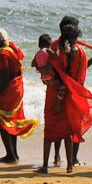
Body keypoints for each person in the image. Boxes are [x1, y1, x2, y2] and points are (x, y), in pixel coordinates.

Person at [39, 23, 92, 173]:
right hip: (71, 95)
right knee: (68, 131)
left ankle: (46, 166)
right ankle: (69, 166)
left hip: (54, 93)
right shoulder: (81, 53)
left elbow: (47, 70)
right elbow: (81, 75)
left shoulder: (54, 50)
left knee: (50, 129)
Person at [0, 29, 38, 164]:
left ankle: (11, 155)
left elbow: (4, 78)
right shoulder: (10, 49)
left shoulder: (2, 54)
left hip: (9, 90)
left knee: (3, 122)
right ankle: (14, 154)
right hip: (16, 88)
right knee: (12, 121)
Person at [31, 34, 61, 167]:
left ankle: (55, 157)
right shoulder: (48, 51)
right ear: (49, 45)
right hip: (51, 78)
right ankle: (57, 156)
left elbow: (33, 64)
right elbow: (55, 58)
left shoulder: (38, 52)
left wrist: (39, 67)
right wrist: (56, 52)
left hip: (44, 79)